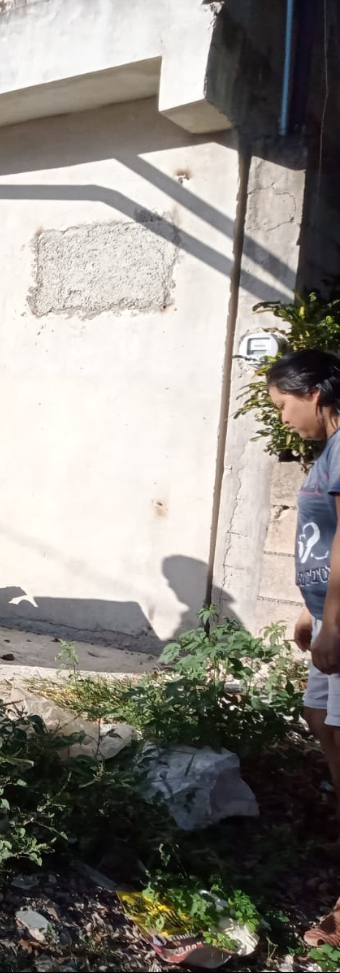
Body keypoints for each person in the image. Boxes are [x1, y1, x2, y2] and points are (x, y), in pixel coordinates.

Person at [267, 349, 340, 948]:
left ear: (313, 392)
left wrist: (334, 624)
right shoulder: (329, 451)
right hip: (328, 619)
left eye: (284, 404)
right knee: (318, 718)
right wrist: (311, 612)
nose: (284, 417)